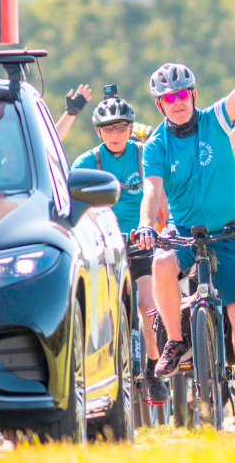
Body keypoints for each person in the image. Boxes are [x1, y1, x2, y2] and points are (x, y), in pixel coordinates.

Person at [135, 15, 235, 424]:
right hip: (184, 233)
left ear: (193, 95)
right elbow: (152, 190)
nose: (177, 102)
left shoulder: (215, 119)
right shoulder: (155, 145)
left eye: (182, 95)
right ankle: (175, 340)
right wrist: (145, 225)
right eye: (169, 98)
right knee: (160, 262)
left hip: (229, 233)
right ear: (160, 104)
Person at [71, 89, 169, 402]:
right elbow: (75, 202)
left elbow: (162, 197)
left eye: (122, 127)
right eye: (109, 129)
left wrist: (165, 230)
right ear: (98, 131)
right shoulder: (89, 160)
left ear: (131, 128)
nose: (116, 134)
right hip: (106, 248)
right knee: (105, 312)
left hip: (142, 242)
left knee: (147, 305)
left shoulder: (144, 155)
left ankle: (153, 372)